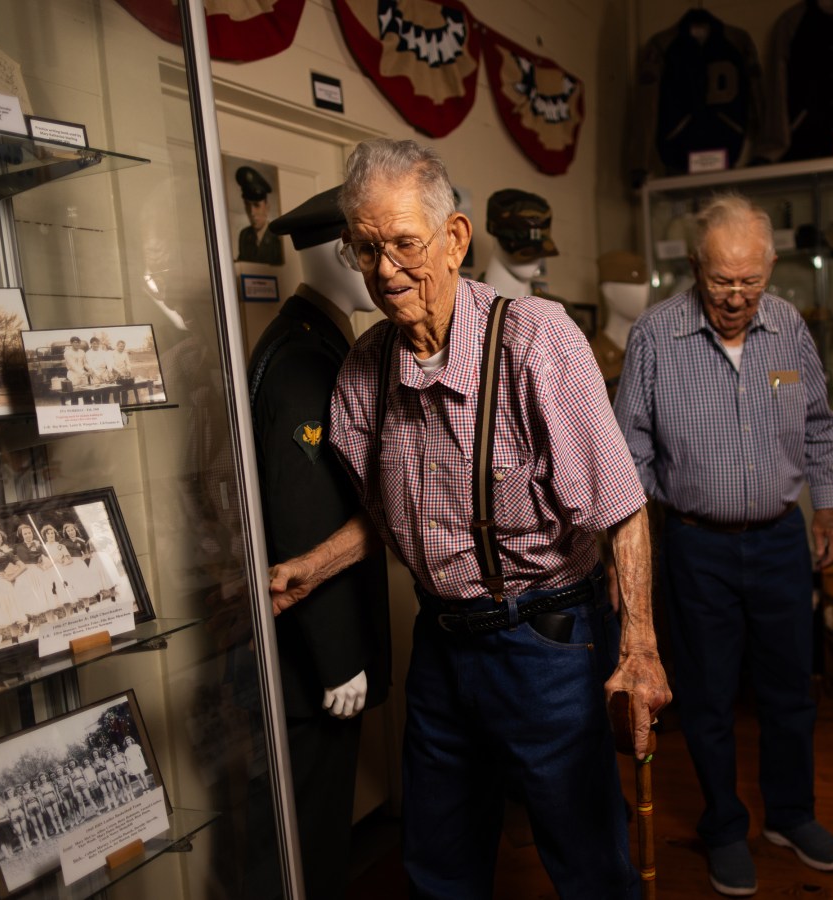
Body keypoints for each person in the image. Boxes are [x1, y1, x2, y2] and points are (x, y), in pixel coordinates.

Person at [268, 138, 671, 899]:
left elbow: (622, 508)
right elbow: (393, 519)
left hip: (548, 641)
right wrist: (313, 567)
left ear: (454, 239)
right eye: (365, 250)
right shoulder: (362, 373)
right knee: (438, 868)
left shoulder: (535, 341)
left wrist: (642, 646)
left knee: (589, 865)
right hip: (442, 647)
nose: (385, 270)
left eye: (403, 243)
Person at [614, 193, 833, 896]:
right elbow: (629, 454)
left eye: (750, 280)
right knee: (709, 697)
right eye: (722, 281)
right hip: (696, 547)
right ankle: (723, 828)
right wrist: (635, 553)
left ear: (770, 268)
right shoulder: (656, 336)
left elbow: (819, 425)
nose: (737, 296)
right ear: (696, 267)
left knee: (790, 690)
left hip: (779, 540)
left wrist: (827, 509)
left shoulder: (789, 328)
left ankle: (791, 815)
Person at [248, 184, 392, 900]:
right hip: (315, 663)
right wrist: (339, 657)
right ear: (346, 252)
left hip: (314, 653)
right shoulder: (307, 360)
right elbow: (303, 516)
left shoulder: (317, 342)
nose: (387, 268)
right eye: (373, 250)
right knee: (310, 840)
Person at [590, 250, 650, 401]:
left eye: (644, 287)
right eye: (631, 288)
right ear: (608, 291)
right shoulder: (589, 357)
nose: (642, 295)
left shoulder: (651, 348)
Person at [236, 165, 284, 265]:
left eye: (256, 205)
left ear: (267, 207)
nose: (252, 212)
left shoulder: (278, 237)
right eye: (248, 205)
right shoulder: (244, 235)